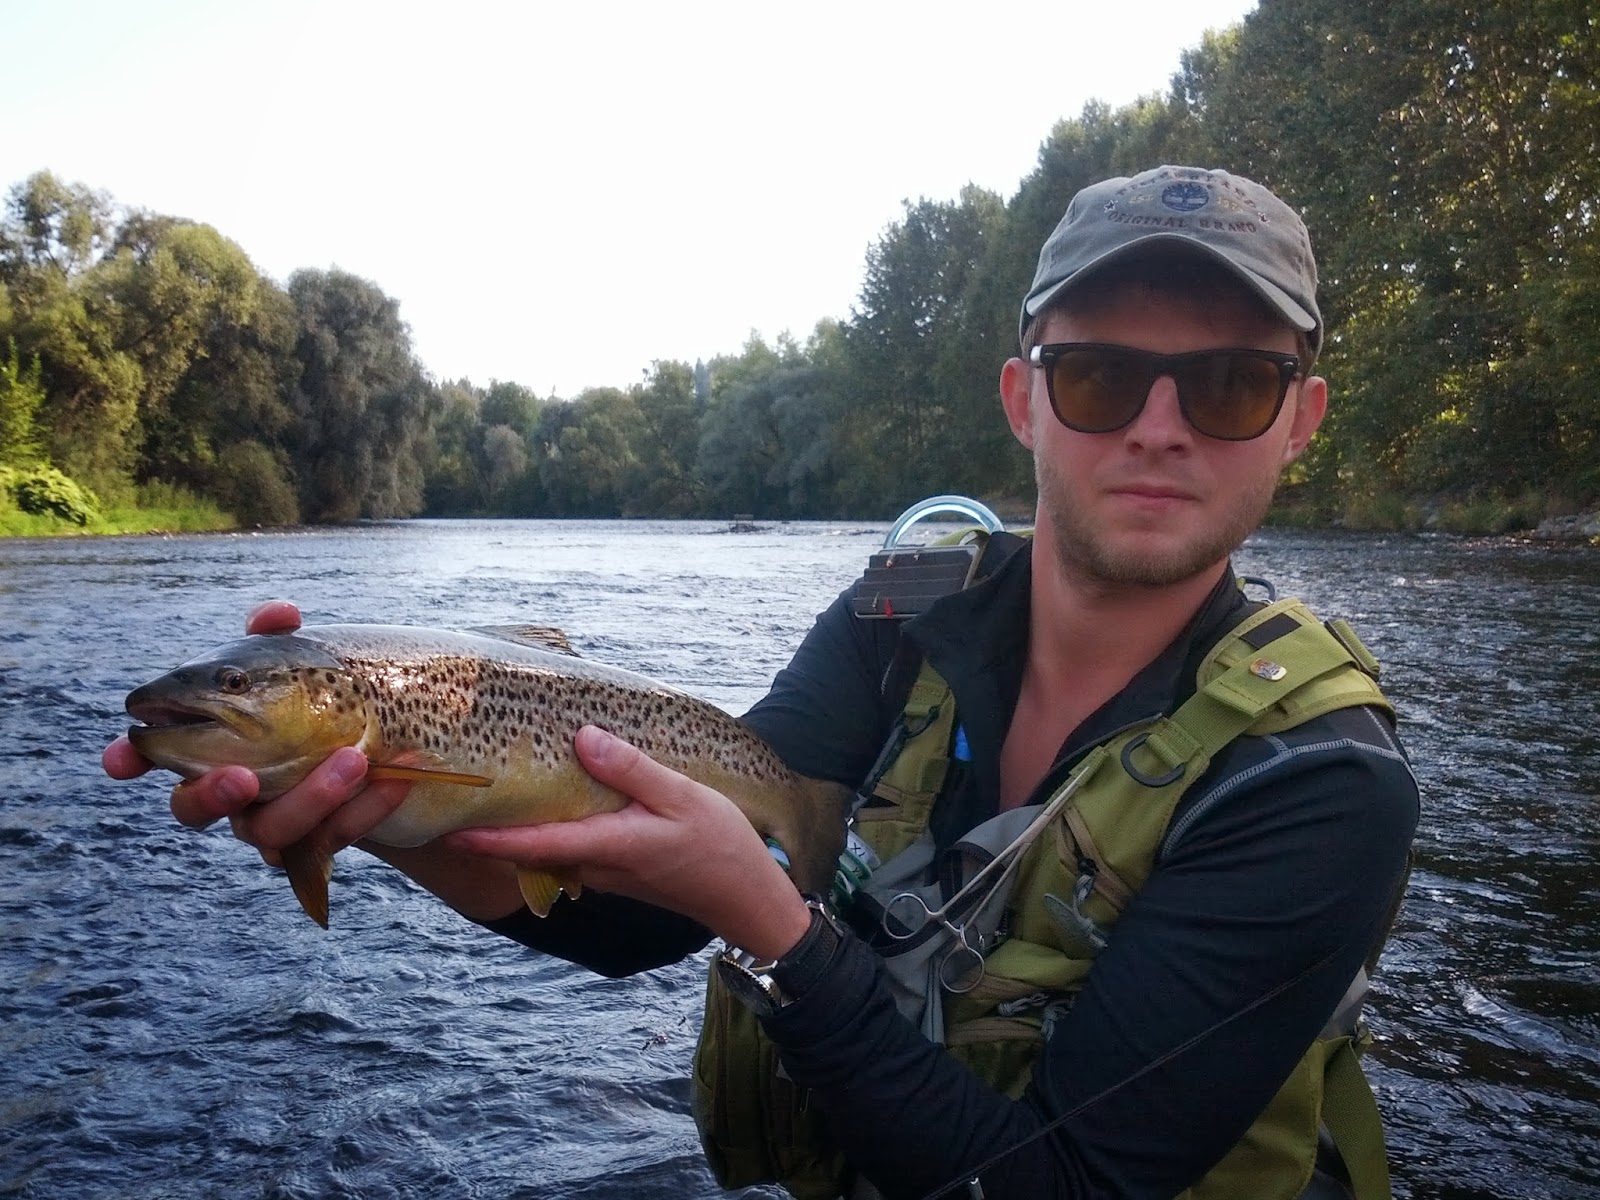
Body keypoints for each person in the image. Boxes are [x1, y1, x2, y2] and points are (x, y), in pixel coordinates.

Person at [105, 165, 1419, 1200]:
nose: (1157, 426)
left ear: (1301, 421)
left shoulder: (1323, 780)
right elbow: (650, 919)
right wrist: (396, 816)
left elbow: (1064, 1184)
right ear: (1025, 400)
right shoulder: (903, 603)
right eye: (1101, 374)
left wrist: (788, 940)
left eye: (1235, 384)